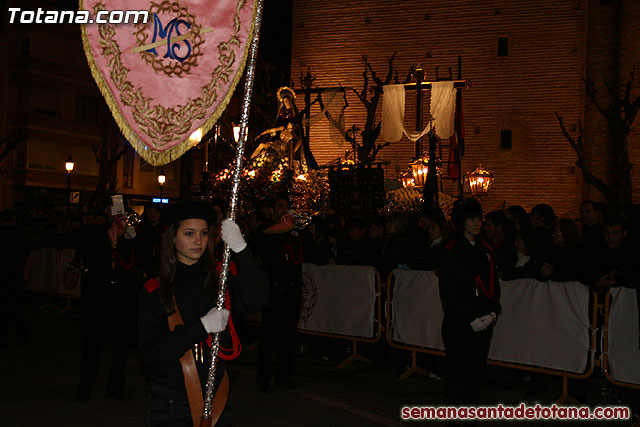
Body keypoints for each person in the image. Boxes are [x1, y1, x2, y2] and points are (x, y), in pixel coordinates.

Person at [137, 201, 268, 426]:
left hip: (218, 398)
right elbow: (153, 353)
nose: (198, 241)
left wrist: (241, 250)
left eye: (204, 233)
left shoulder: (219, 279)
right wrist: (201, 328)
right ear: (172, 236)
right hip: (170, 403)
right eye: (189, 233)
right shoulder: (155, 289)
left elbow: (259, 298)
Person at [75, 196, 140, 402]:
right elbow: (89, 253)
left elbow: (140, 256)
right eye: (113, 207)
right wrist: (111, 236)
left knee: (120, 346)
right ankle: (85, 388)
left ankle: (116, 388)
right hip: (99, 294)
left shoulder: (131, 233)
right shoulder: (94, 231)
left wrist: (128, 234)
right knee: (93, 344)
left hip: (122, 295)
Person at [439, 198, 501, 406]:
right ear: (461, 221)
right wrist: (469, 318)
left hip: (484, 320)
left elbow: (492, 283)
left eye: (479, 218)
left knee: (475, 377)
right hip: (460, 323)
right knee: (457, 376)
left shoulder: (486, 249)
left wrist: (492, 313)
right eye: (471, 218)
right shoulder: (451, 249)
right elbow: (450, 290)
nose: (477, 223)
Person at [255, 194, 312, 392]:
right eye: (280, 206)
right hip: (274, 289)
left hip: (292, 289)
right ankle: (264, 378)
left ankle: (284, 376)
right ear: (270, 210)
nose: (284, 210)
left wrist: (297, 228)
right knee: (269, 336)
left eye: (286, 206)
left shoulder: (294, 230)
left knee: (289, 336)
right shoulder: (265, 230)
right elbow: (266, 250)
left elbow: (308, 247)